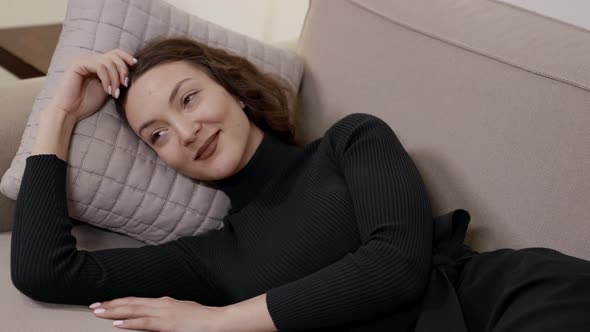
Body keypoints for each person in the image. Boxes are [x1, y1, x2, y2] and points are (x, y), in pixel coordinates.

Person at [10, 37, 590, 332]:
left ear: (233, 89)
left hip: (508, 303)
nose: (186, 132)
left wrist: (219, 322)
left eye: (190, 99)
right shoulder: (212, 259)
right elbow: (45, 271)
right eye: (157, 135)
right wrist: (60, 116)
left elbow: (395, 265)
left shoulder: (350, 142)